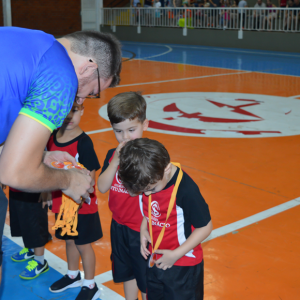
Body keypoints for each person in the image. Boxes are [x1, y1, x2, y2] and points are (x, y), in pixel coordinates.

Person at [0, 27, 122, 284]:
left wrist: (39, 157)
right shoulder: (62, 76)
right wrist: (69, 180)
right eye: (93, 91)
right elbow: (13, 173)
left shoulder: (31, 40)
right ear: (89, 67)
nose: (83, 98)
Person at [118, 138, 213, 300]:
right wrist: (144, 228)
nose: (147, 194)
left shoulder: (186, 190)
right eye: (143, 191)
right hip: (157, 258)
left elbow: (205, 227)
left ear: (167, 169)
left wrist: (176, 254)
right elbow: (150, 210)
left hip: (183, 264)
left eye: (151, 189)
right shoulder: (151, 179)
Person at [47, 100, 102, 300]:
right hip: (61, 202)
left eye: (74, 110)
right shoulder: (52, 137)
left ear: (82, 111)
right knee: (69, 240)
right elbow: (48, 167)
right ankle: (72, 275)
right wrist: (47, 195)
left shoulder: (83, 142)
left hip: (81, 203)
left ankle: (90, 284)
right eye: (65, 111)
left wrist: (80, 197)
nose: (69, 116)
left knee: (83, 244)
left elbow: (91, 173)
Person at [97, 92, 149, 300]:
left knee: (145, 278)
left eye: (131, 130)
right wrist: (115, 162)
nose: (125, 137)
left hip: (142, 230)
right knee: (126, 272)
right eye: (118, 131)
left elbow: (153, 196)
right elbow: (101, 187)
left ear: (145, 125)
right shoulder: (112, 154)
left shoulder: (149, 157)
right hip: (118, 226)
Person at [9, 188, 51, 280]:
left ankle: (40, 262)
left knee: (36, 223)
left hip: (34, 188)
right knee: (23, 220)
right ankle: (31, 249)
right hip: (17, 186)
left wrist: (45, 190)